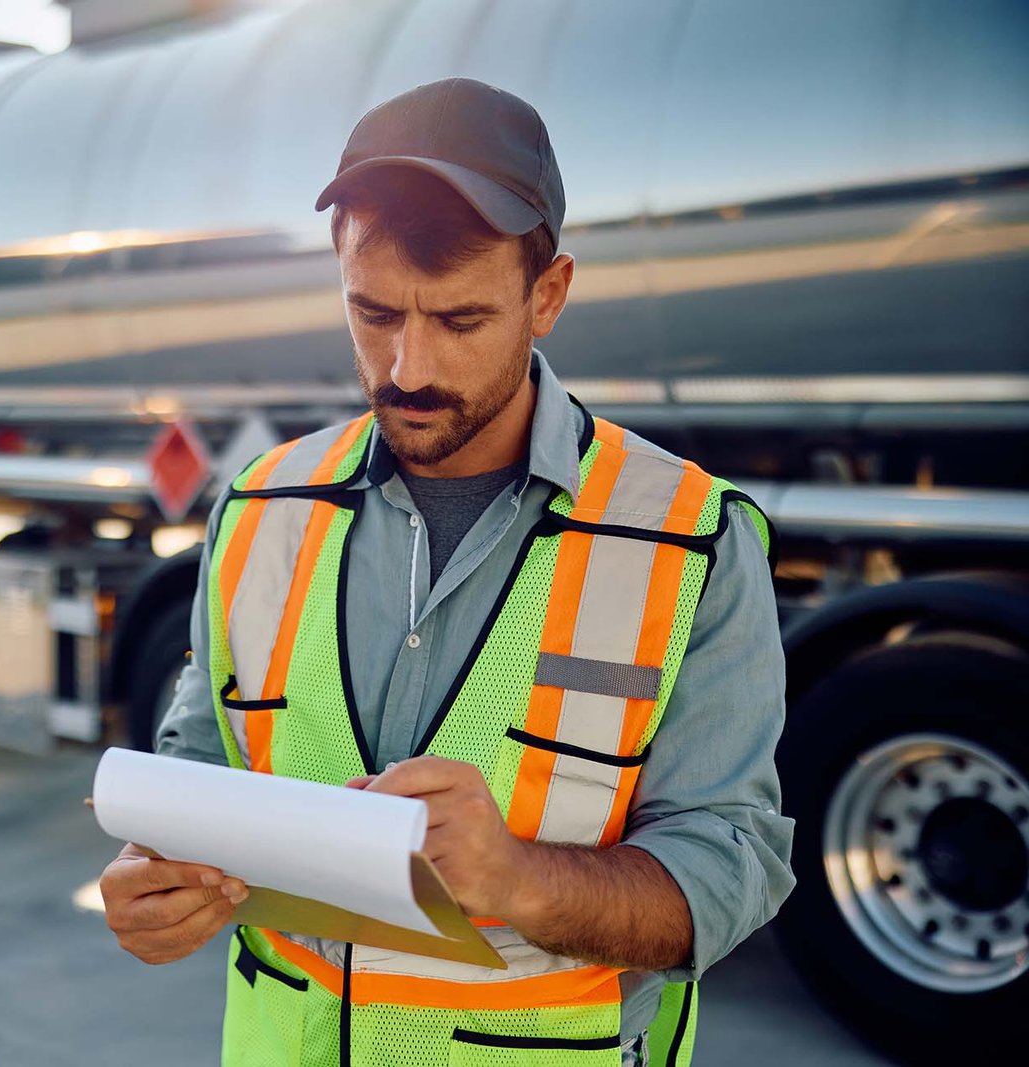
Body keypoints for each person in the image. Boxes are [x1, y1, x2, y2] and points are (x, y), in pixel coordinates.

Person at [99, 77, 794, 1067]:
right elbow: (204, 760)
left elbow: (732, 869)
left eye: (460, 321)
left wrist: (522, 882)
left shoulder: (692, 541)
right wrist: (157, 881)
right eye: (373, 313)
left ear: (546, 294)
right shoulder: (258, 506)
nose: (408, 365)